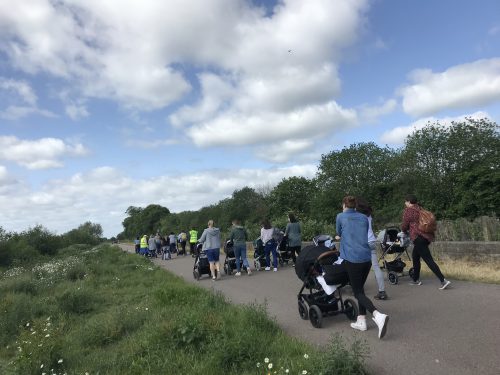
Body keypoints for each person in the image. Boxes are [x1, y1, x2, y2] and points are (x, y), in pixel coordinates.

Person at [336, 195, 389, 339]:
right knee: (360, 289)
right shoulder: (364, 218)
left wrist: (340, 237)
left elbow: (339, 233)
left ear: (344, 205)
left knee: (357, 292)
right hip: (366, 258)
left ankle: (378, 315)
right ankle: (361, 321)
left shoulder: (340, 216)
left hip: (352, 259)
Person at [402, 194, 451, 290]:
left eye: (405, 201)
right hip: (426, 237)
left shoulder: (409, 210)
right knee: (415, 257)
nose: (405, 203)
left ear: (409, 202)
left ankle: (443, 280)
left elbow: (405, 224)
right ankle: (415, 279)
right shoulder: (420, 208)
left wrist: (403, 231)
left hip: (418, 237)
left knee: (428, 260)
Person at [356, 198, 388, 300]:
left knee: (357, 266)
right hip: (372, 242)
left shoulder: (356, 216)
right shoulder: (369, 215)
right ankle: (382, 291)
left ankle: (358, 290)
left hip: (362, 242)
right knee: (376, 267)